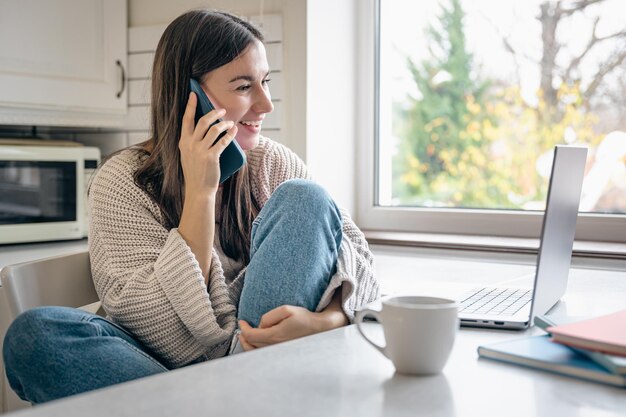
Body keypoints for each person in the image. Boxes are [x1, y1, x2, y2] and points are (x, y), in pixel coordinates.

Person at [3, 9, 379, 404]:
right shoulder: (119, 182)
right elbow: (159, 330)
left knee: (307, 197)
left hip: (240, 372)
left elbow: (362, 269)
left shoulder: (274, 164)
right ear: (190, 98)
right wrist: (201, 192)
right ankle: (231, 402)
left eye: (265, 82)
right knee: (35, 336)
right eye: (243, 87)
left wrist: (326, 321)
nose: (266, 104)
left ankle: (224, 399)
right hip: (159, 369)